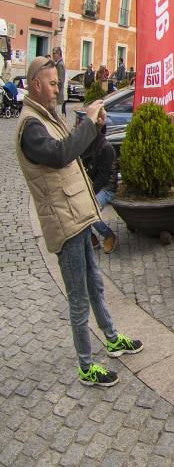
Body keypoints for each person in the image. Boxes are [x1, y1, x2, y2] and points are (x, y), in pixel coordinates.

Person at [16, 56, 142, 387]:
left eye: (59, 83)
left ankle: (112, 339)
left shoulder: (47, 117)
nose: (59, 88)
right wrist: (87, 122)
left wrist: (93, 128)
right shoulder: (31, 126)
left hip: (77, 215)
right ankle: (86, 366)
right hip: (63, 221)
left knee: (95, 284)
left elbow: (73, 147)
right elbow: (60, 155)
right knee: (78, 297)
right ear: (36, 85)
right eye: (54, 83)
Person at [52, 47, 67, 115]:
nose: (53, 55)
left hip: (58, 96)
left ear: (58, 54)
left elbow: (60, 81)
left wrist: (55, 92)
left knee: (57, 115)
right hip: (58, 95)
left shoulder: (60, 65)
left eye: (54, 53)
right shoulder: (58, 64)